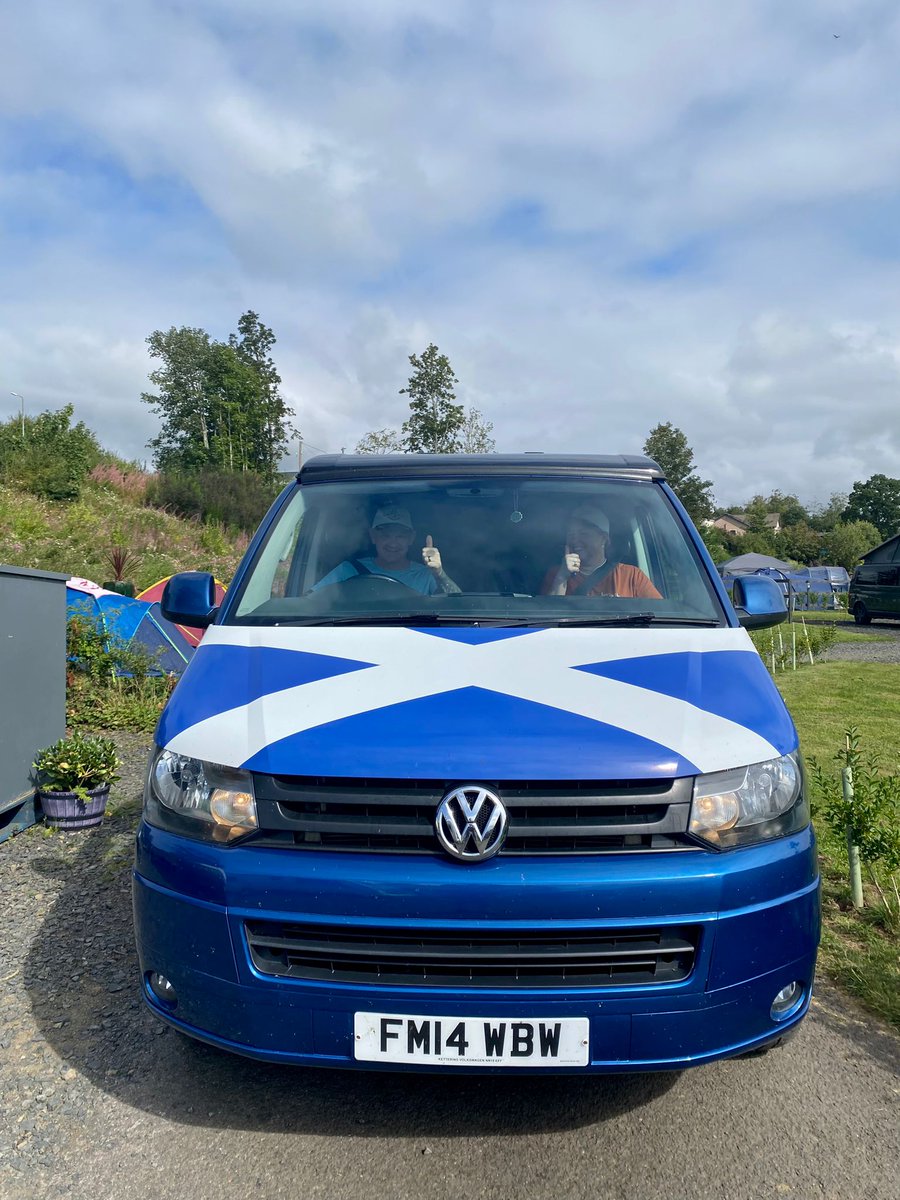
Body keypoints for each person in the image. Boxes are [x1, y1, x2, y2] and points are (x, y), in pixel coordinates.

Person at [314, 506, 460, 595]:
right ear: (373, 536)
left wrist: (439, 574)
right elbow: (310, 602)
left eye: (401, 536)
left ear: (411, 539)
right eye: (385, 535)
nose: (393, 543)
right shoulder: (348, 570)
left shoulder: (426, 575)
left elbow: (458, 604)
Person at [540, 503, 662, 598]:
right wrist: (562, 577)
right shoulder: (556, 574)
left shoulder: (631, 576)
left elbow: (659, 617)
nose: (575, 540)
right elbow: (546, 622)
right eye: (571, 534)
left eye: (584, 534)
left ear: (604, 539)